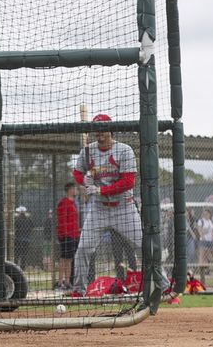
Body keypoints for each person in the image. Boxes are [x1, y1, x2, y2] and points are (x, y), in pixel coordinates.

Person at [69, 113, 145, 297]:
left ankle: (163, 285)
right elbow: (77, 173)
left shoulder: (124, 150)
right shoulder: (87, 151)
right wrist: (85, 180)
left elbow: (128, 182)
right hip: (99, 209)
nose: (100, 133)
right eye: (97, 129)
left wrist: (101, 190)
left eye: (103, 129)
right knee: (84, 249)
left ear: (111, 130)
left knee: (143, 245)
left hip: (124, 207)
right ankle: (79, 290)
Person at [56, 181, 80, 290]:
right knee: (64, 259)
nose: (76, 191)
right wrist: (63, 235)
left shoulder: (73, 203)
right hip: (66, 235)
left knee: (69, 259)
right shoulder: (64, 203)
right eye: (75, 189)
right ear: (70, 190)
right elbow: (62, 220)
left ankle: (67, 281)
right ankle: (60, 282)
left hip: (74, 235)